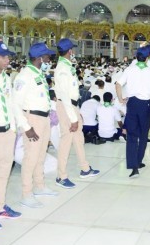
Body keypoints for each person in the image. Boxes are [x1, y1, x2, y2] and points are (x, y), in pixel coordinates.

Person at [13, 43, 59, 208]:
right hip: (32, 119)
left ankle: (39, 186)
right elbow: (16, 104)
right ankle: (26, 194)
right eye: (47, 57)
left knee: (40, 156)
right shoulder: (24, 76)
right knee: (30, 158)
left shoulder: (38, 74)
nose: (49, 59)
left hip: (44, 119)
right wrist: (26, 127)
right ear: (40, 58)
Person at [54, 38, 100, 189]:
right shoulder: (63, 69)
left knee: (79, 139)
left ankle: (85, 168)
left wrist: (76, 112)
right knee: (66, 141)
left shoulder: (67, 66)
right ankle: (61, 176)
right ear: (69, 51)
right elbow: (65, 96)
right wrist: (73, 117)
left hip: (73, 106)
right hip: (67, 107)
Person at [0, 42, 21, 230]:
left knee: (3, 173)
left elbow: (10, 104)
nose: (7, 59)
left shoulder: (6, 78)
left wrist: (14, 129)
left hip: (7, 132)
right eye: (3, 56)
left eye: (8, 56)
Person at [116, 46, 150, 178]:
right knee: (143, 136)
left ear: (136, 57)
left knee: (132, 136)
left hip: (132, 104)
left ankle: (133, 166)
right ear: (147, 58)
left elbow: (118, 84)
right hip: (145, 106)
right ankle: (139, 161)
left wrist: (120, 98)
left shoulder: (129, 70)